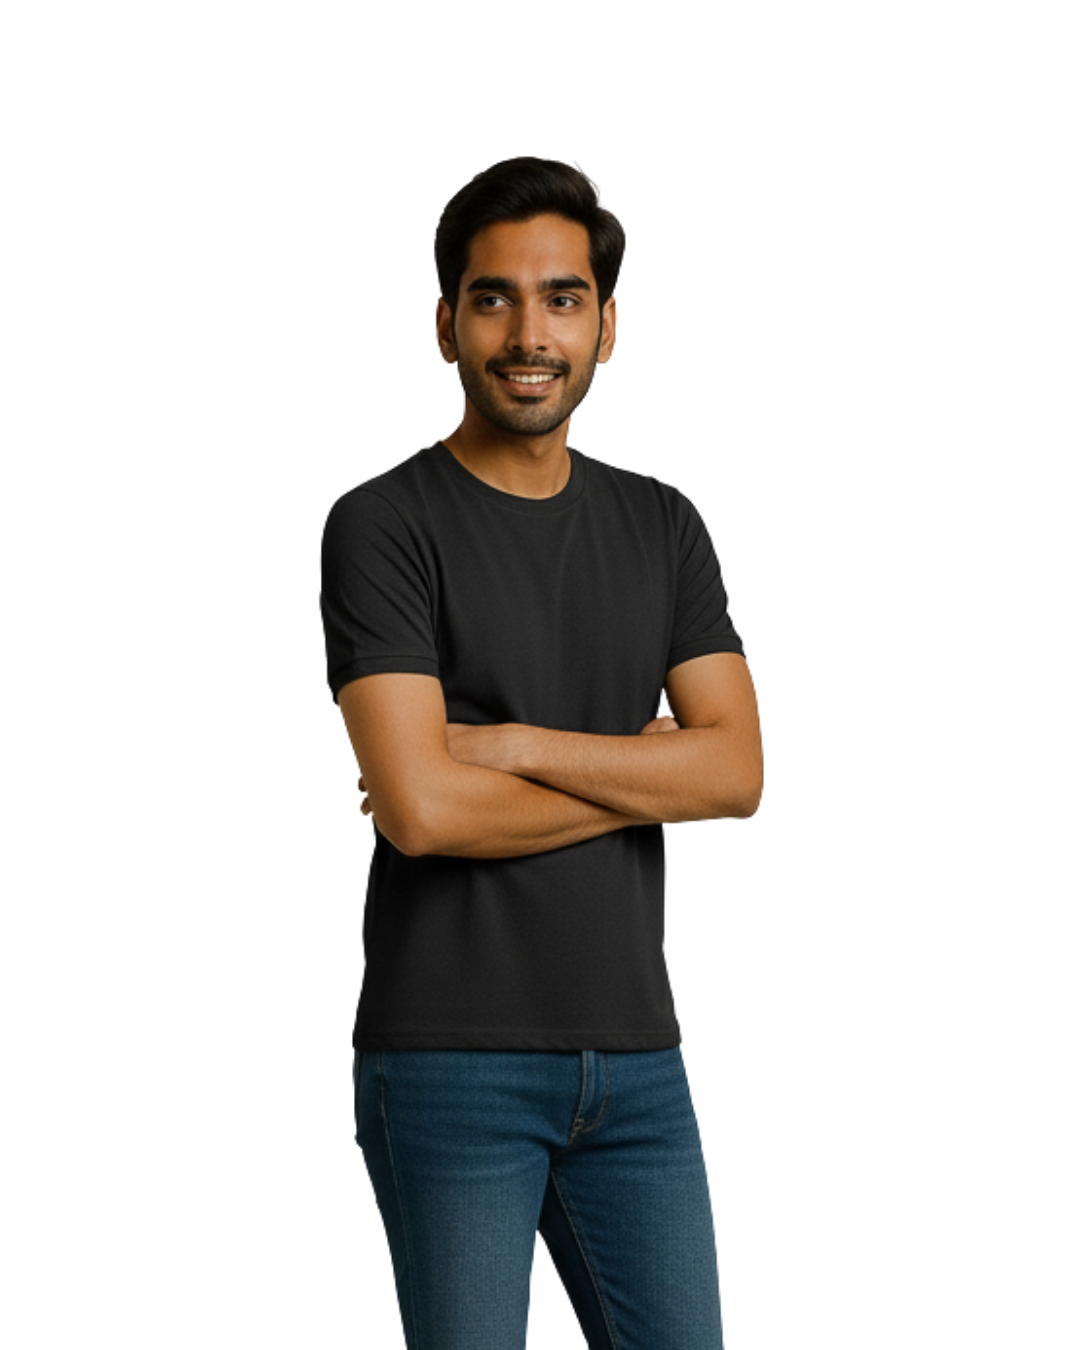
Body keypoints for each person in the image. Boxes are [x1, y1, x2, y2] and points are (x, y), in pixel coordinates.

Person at [320, 156, 763, 1350]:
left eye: (563, 299)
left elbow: (736, 775)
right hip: (448, 1062)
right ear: (446, 326)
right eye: (494, 299)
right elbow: (423, 812)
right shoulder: (383, 526)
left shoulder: (662, 524)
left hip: (638, 1062)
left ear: (606, 326)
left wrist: (509, 746)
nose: (530, 334)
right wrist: (644, 773)